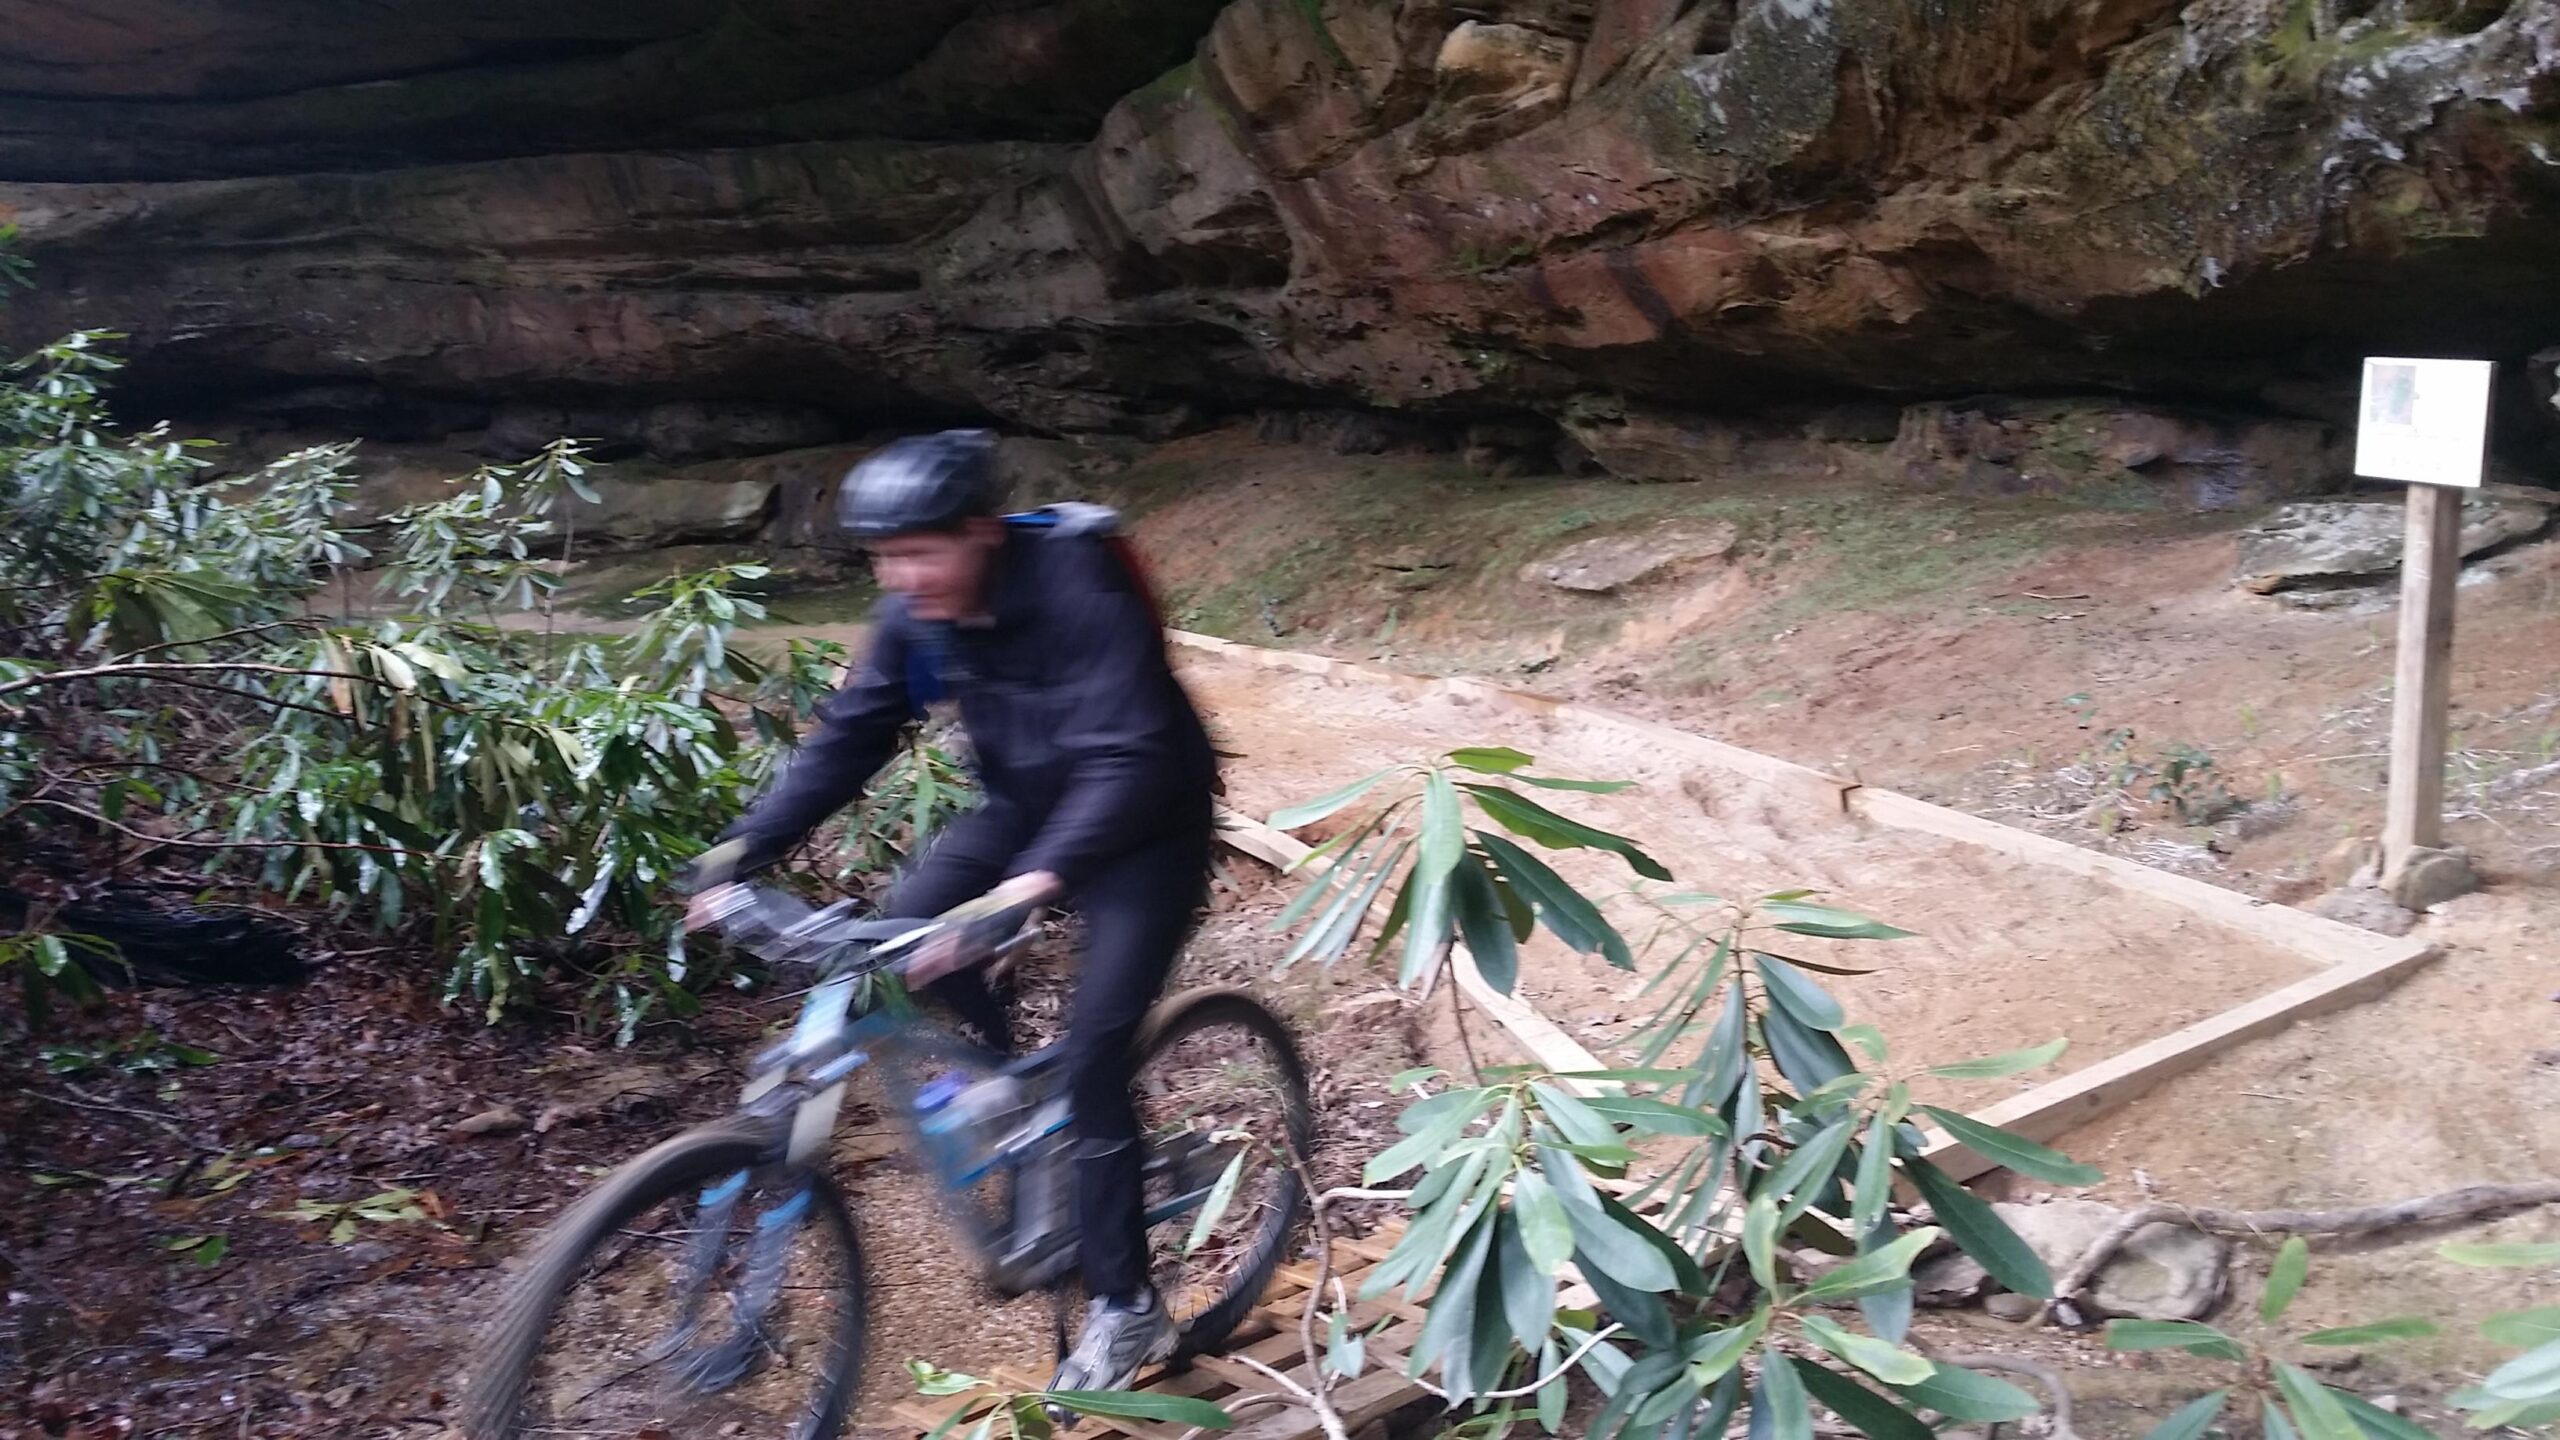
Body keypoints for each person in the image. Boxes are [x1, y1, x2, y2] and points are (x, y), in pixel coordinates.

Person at [681, 428, 1219, 1394]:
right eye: (884, 557)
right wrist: (738, 852)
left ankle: (1129, 1308)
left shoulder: (1073, 585)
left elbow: (1128, 755)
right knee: (900, 937)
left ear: (984, 532)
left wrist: (1027, 889)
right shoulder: (915, 611)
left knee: (1097, 1056)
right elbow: (850, 737)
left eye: (921, 551)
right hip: (1019, 810)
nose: (902, 576)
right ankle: (1014, 1090)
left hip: (1145, 826)